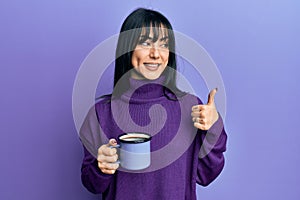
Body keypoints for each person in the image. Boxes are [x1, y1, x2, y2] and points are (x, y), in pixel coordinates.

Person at [79, 8, 227, 200]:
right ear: (127, 48)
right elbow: (92, 184)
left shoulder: (190, 107)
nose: (156, 54)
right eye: (146, 43)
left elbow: (206, 174)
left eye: (164, 45)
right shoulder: (101, 114)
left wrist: (214, 126)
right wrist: (101, 166)